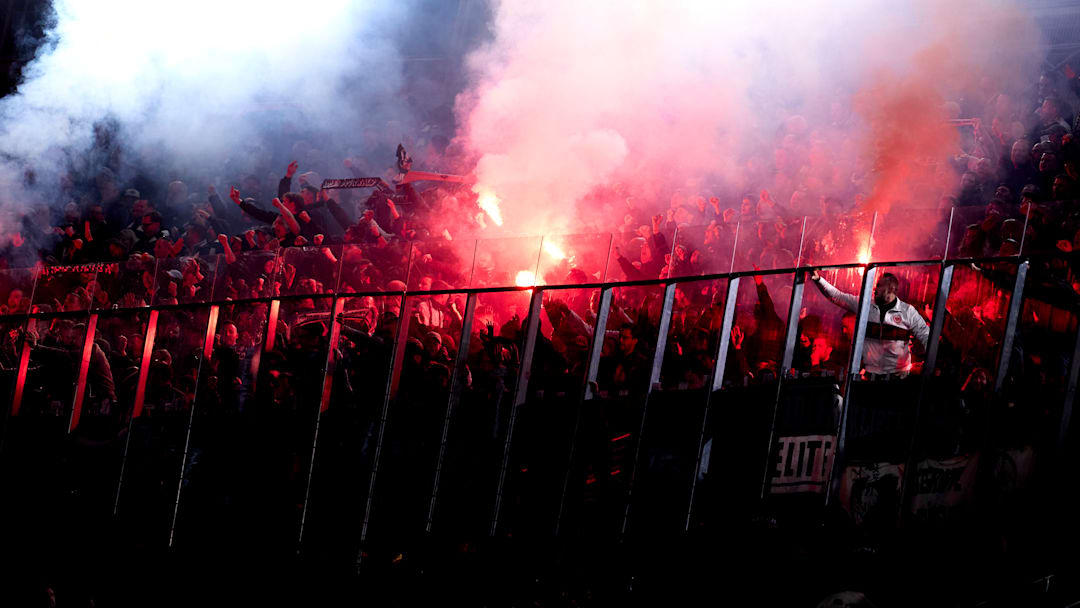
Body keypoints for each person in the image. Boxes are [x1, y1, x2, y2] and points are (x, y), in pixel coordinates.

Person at [810, 269, 929, 377]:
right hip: (871, 375)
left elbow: (926, 336)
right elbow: (837, 296)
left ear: (891, 289)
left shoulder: (907, 312)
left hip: (897, 377)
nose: (875, 289)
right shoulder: (865, 304)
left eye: (879, 286)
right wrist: (819, 280)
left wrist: (927, 365)